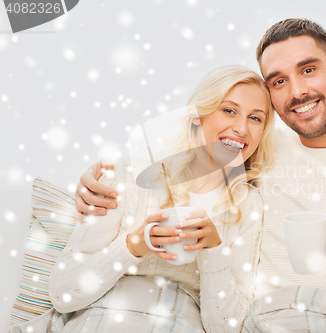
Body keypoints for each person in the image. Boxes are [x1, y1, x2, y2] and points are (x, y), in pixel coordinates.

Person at [75, 19, 326, 333]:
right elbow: (171, 159)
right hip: (261, 322)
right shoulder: (257, 145)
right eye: (278, 81)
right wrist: (96, 181)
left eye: (308, 69)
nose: (297, 91)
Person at [9, 65, 275, 333]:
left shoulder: (248, 206)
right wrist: (134, 245)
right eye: (229, 110)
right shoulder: (128, 174)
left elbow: (228, 328)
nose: (241, 128)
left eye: (255, 118)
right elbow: (63, 294)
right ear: (196, 117)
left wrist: (213, 250)